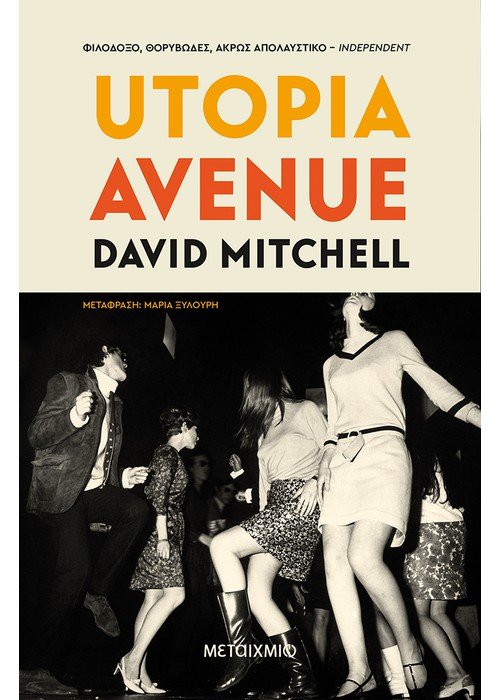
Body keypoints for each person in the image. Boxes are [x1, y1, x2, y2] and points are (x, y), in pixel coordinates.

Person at [317, 292, 481, 698]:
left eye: (367, 286)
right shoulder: (331, 362)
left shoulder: (394, 340)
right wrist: (324, 461)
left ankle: (409, 646)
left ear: (374, 302)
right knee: (334, 560)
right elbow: (333, 425)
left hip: (385, 452)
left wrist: (482, 418)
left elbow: (439, 389)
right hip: (342, 461)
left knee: (362, 556)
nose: (358, 288)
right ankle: (360, 669)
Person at [21, 342, 150, 696]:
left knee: (136, 510)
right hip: (62, 491)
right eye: (122, 355)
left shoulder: (115, 404)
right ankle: (35, 667)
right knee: (74, 569)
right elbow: (36, 434)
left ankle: (96, 593)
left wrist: (121, 478)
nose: (127, 360)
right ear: (104, 353)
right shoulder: (69, 382)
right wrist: (72, 417)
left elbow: (100, 462)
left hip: (92, 492)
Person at [210, 366, 327, 700]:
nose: (246, 397)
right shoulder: (263, 431)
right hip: (275, 509)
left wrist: (315, 481)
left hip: (302, 504)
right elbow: (264, 489)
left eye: (249, 390)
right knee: (258, 598)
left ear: (260, 388)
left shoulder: (305, 410)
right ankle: (302, 681)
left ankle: (241, 649)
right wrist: (259, 524)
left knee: (221, 546)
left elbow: (332, 450)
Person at [117, 405, 199, 694]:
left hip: (162, 532)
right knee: (176, 596)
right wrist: (163, 538)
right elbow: (157, 497)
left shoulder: (166, 455)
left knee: (152, 599)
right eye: (196, 430)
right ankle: (131, 660)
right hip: (161, 534)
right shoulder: (167, 455)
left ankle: (140, 674)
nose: (198, 436)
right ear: (185, 427)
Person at [403, 447, 475, 699]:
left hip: (427, 530)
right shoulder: (440, 454)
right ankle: (461, 679)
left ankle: (456, 674)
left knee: (418, 614)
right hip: (454, 528)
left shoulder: (409, 452)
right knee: (439, 612)